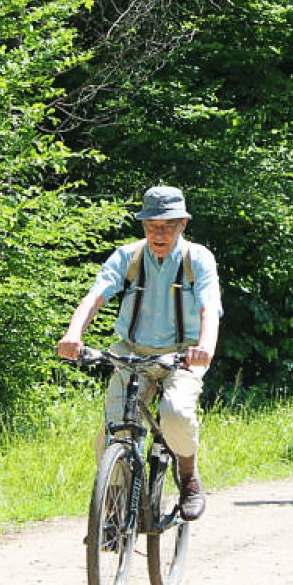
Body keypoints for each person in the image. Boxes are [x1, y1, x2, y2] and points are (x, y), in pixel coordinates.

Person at [57, 186, 221, 521]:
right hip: (132, 352)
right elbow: (94, 297)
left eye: (168, 225)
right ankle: (115, 503)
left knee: (175, 412)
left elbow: (209, 308)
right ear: (143, 226)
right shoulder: (128, 257)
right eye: (152, 225)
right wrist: (73, 334)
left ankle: (188, 476)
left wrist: (204, 348)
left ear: (183, 224)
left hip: (182, 354)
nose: (159, 233)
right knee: (114, 429)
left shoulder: (197, 259)